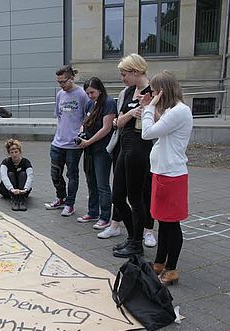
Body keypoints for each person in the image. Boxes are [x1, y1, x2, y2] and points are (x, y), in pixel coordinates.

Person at [140, 71, 193, 285]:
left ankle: (171, 269)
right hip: (163, 172)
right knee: (163, 221)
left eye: (153, 91)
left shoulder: (180, 111)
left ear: (162, 92)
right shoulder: (173, 110)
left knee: (171, 224)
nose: (151, 94)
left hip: (172, 175)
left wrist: (148, 108)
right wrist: (152, 107)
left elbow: (148, 133)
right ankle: (160, 262)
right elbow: (163, 128)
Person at [110, 53, 155, 258]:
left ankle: (137, 242)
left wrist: (146, 109)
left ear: (136, 72)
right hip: (124, 146)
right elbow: (117, 122)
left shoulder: (153, 92)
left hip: (139, 148)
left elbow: (159, 121)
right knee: (117, 197)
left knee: (136, 198)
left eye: (125, 74)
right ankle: (132, 237)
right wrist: (132, 112)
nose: (123, 78)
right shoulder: (128, 92)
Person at [45, 65, 90, 216]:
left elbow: (87, 118)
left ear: (72, 78)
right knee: (55, 174)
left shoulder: (83, 95)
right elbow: (59, 115)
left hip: (73, 145)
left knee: (72, 175)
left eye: (63, 81)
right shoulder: (59, 95)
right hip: (57, 142)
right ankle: (61, 197)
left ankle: (70, 204)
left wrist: (79, 135)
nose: (61, 85)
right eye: (58, 82)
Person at [77, 77, 115, 229]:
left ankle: (105, 216)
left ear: (100, 89)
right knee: (90, 181)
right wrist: (81, 134)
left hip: (102, 150)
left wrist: (89, 141)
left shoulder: (109, 103)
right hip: (89, 149)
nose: (90, 95)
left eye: (92, 92)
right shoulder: (89, 103)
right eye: (87, 93)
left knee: (102, 184)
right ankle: (93, 211)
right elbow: (84, 123)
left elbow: (106, 129)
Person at [0, 139, 34, 211]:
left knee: (23, 174)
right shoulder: (5, 162)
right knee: (10, 174)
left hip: (22, 189)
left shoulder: (26, 162)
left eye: (16, 152)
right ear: (9, 154)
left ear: (20, 152)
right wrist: (12, 189)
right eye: (12, 152)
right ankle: (14, 199)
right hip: (9, 190)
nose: (14, 155)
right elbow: (4, 176)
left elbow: (30, 176)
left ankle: (22, 199)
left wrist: (26, 189)